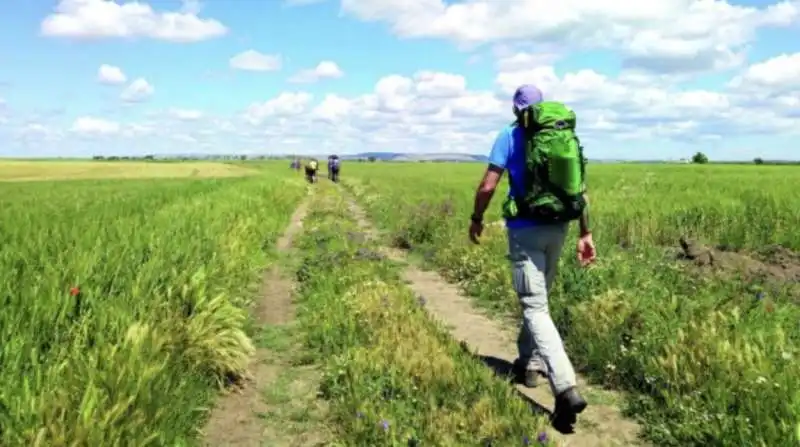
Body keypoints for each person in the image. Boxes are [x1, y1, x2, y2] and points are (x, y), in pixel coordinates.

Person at [467, 84, 595, 430]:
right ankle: (530, 363)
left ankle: (565, 387)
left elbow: (489, 186)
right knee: (539, 303)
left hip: (525, 230)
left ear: (515, 109)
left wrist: (476, 219)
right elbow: (579, 187)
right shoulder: (562, 135)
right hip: (559, 227)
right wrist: (586, 232)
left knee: (535, 307)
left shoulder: (508, 135)